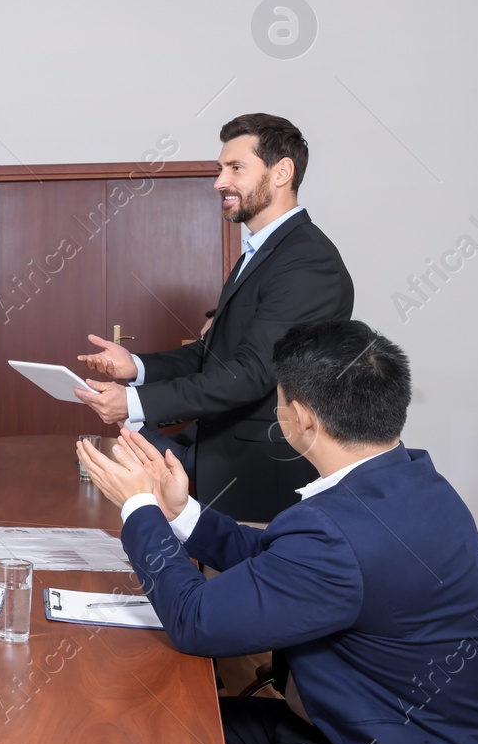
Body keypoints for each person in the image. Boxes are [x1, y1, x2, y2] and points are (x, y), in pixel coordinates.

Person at [79, 321, 478, 744]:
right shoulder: (419, 481)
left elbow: (195, 622)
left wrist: (138, 507)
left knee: (120, 738)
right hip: (357, 718)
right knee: (133, 724)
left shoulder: (336, 531)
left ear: (302, 418)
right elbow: (284, 563)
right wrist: (180, 513)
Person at [75, 113, 354, 522]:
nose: (219, 182)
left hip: (259, 482)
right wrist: (135, 366)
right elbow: (215, 354)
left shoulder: (308, 261)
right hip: (218, 464)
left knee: (233, 584)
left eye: (235, 168)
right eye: (221, 168)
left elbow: (251, 373)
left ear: (282, 172)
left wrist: (134, 402)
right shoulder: (261, 254)